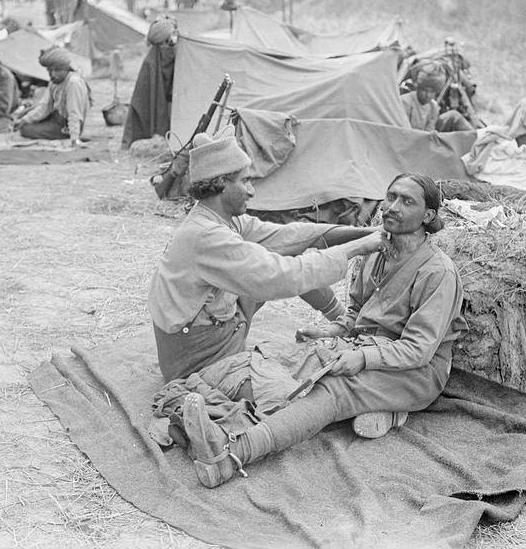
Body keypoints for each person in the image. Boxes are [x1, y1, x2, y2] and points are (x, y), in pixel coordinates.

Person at [178, 173, 467, 488]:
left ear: (428, 216)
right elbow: (357, 315)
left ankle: (232, 454)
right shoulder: (375, 252)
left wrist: (362, 358)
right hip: (360, 347)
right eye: (391, 196)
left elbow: (419, 349)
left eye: (406, 201)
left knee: (329, 389)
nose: (392, 207)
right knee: (269, 360)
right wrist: (331, 331)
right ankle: (202, 421)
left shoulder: (438, 272)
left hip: (417, 372)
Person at [147, 132, 386, 383]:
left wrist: (365, 233)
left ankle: (341, 324)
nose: (251, 191)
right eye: (245, 181)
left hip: (212, 334)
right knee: (285, 391)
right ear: (221, 184)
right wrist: (357, 248)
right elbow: (284, 275)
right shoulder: (208, 236)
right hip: (197, 360)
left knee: (295, 248)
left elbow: (291, 236)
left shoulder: (220, 218)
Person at [13, 46, 91, 144]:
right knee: (24, 116)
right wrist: (24, 120)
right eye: (50, 70)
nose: (53, 74)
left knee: (26, 130)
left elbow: (74, 113)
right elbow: (45, 107)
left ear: (66, 68)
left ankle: (64, 134)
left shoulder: (73, 83)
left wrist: (74, 138)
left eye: (57, 70)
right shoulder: (54, 82)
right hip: (55, 116)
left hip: (65, 125)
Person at [400, 64, 474, 133]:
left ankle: (477, 140)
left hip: (424, 140)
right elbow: (404, 130)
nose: (428, 95)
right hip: (409, 139)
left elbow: (429, 130)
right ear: (417, 87)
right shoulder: (406, 102)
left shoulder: (433, 107)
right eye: (424, 90)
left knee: (454, 115)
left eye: (432, 92)